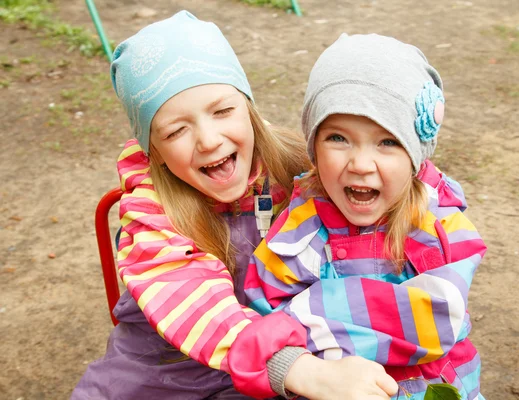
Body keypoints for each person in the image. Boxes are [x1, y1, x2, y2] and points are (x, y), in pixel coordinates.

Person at [73, 13, 398, 400]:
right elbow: (185, 293)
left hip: (277, 357)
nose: (209, 140)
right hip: (162, 374)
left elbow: (379, 179)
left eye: (222, 111)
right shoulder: (150, 210)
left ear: (248, 108)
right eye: (176, 130)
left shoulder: (297, 167)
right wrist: (298, 368)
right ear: (154, 152)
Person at [244, 33, 487, 400]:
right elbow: (262, 307)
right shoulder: (302, 221)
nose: (360, 164)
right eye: (338, 138)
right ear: (313, 146)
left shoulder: (435, 217)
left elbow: (437, 317)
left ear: (414, 156)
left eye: (387, 142)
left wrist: (306, 312)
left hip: (437, 389)